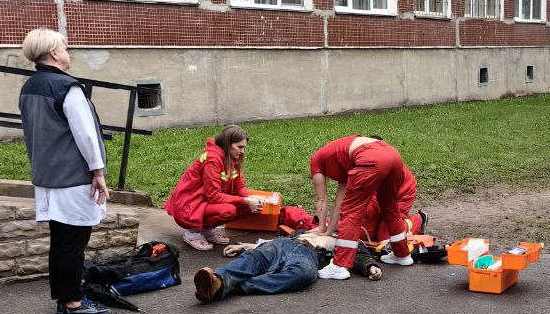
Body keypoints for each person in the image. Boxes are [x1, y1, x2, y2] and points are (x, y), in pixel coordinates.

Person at [18, 28, 110, 314]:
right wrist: (98, 172)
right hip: (71, 177)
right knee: (73, 242)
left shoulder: (29, 87)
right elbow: (85, 136)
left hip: (46, 177)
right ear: (55, 53)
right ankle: (72, 303)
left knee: (60, 241)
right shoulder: (67, 88)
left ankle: (65, 297)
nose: (68, 53)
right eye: (65, 48)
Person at [164, 126, 316, 251]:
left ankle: (206, 230)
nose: (242, 151)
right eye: (240, 147)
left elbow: (239, 186)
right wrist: (244, 200)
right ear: (227, 144)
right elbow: (213, 196)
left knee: (251, 207)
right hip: (189, 207)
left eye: (244, 147)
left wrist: (252, 199)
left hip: (202, 204)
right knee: (230, 210)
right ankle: (193, 232)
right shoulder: (212, 160)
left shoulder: (231, 159)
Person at [309, 136, 415, 280]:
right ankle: (402, 254)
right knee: (390, 207)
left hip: (371, 158)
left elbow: (321, 199)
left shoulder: (316, 160)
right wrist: (328, 230)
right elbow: (339, 203)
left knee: (352, 211)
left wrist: (321, 229)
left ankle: (339, 266)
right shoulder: (340, 158)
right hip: (392, 155)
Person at [192, 231, 381, 303]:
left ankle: (230, 286)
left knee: (305, 274)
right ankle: (217, 281)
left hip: (308, 254)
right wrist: (245, 246)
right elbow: (271, 241)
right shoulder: (313, 226)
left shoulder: (349, 238)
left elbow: (360, 255)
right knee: (253, 257)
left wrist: (370, 266)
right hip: (283, 243)